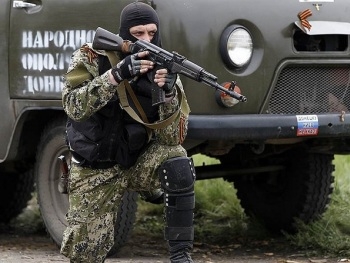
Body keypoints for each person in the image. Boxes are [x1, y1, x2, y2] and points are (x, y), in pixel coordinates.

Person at [60, 2, 196, 263]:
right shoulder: (90, 58)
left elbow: (172, 139)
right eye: (137, 34)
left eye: (152, 33)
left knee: (177, 159)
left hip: (136, 163)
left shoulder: (164, 68)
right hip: (94, 169)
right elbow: (73, 107)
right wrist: (115, 76)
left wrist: (167, 95)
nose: (147, 40)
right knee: (85, 255)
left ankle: (181, 256)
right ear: (123, 34)